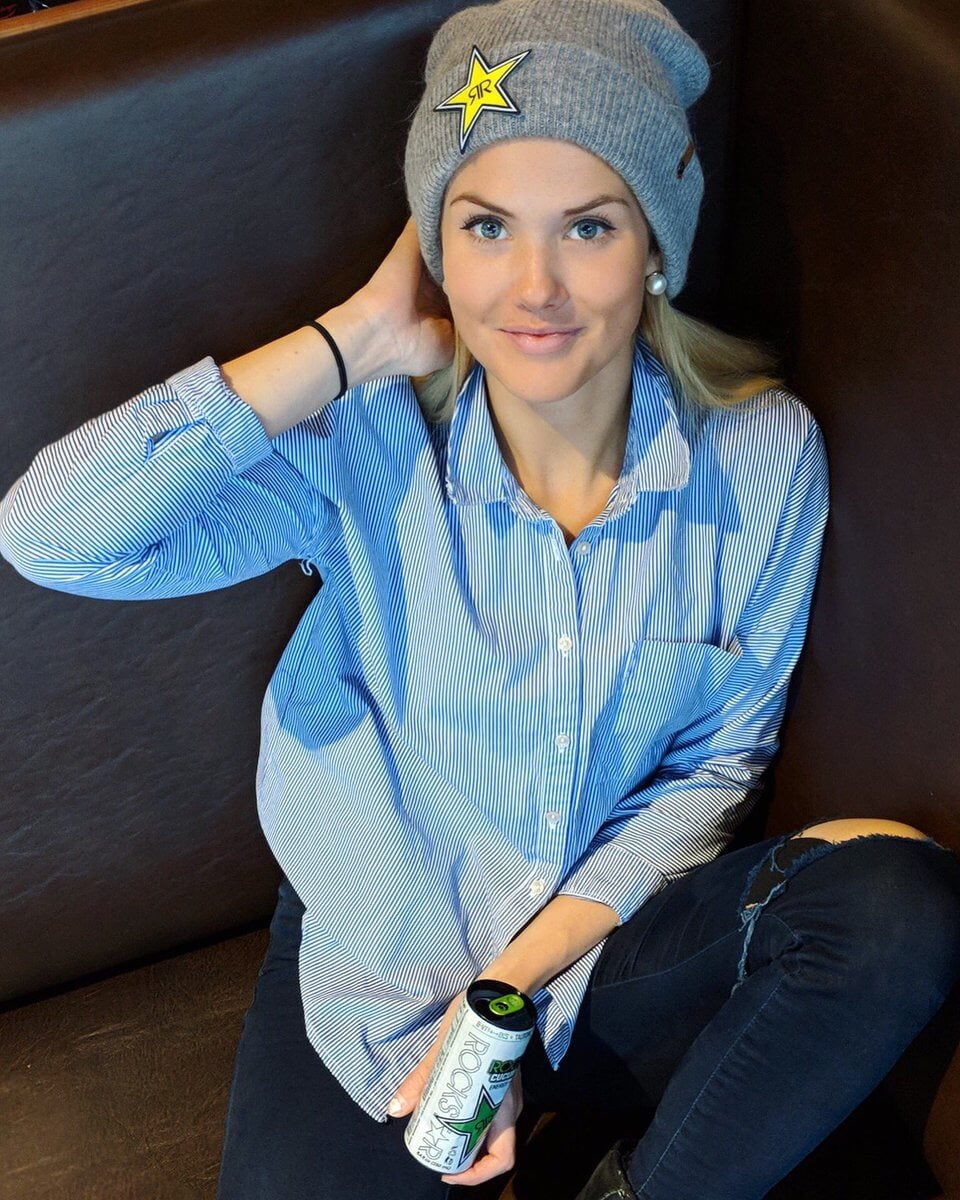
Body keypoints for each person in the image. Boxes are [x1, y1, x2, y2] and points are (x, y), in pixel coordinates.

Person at [2, 1, 960, 1197]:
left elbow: (716, 766)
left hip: (601, 956)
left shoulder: (763, 454)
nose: (535, 285)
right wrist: (356, 338)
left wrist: (507, 991)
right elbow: (53, 537)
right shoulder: (364, 439)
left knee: (894, 910)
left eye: (590, 227)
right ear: (435, 248)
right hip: (386, 969)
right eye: (487, 226)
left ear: (655, 247)